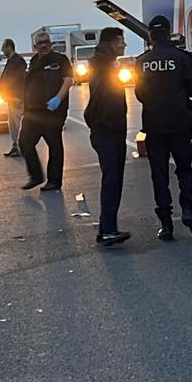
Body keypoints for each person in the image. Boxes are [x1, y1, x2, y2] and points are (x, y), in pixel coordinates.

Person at [135, 15, 192, 241]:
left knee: (159, 175)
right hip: (180, 123)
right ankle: (187, 209)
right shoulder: (181, 57)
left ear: (150, 37)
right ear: (168, 33)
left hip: (155, 125)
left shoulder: (142, 61)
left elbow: (139, 94)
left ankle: (166, 224)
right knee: (184, 169)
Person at [85, 27, 131, 246]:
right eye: (121, 41)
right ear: (111, 43)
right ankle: (109, 230)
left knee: (112, 178)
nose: (124, 45)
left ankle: (106, 227)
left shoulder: (102, 65)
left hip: (106, 129)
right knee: (112, 179)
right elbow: (101, 101)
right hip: (108, 130)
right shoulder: (104, 68)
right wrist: (109, 123)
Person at [19, 30, 72, 192]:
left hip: (53, 112)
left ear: (51, 43)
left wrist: (58, 98)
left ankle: (54, 181)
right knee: (24, 143)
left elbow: (69, 80)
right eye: (40, 43)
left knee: (54, 145)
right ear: (35, 46)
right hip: (33, 112)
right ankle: (36, 176)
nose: (44, 45)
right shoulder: (34, 61)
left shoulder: (60, 60)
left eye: (46, 42)